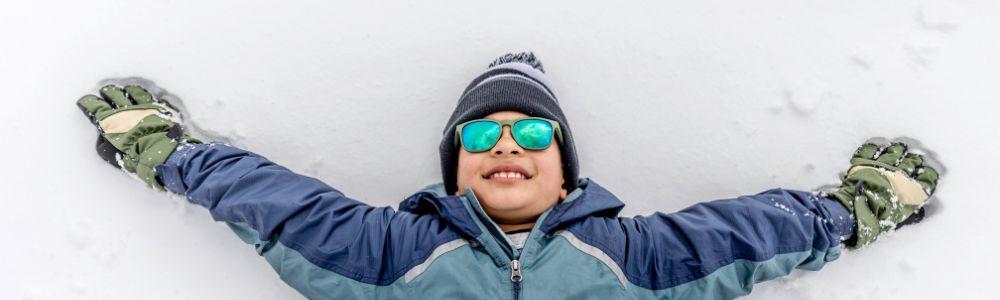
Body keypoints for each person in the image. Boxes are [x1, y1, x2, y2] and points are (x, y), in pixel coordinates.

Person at [76, 52, 941, 299]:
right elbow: (277, 205)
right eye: (480, 133)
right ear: (455, 170)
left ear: (565, 169)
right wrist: (165, 150)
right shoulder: (387, 251)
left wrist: (857, 208)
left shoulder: (635, 257)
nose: (506, 144)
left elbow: (755, 236)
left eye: (531, 129)